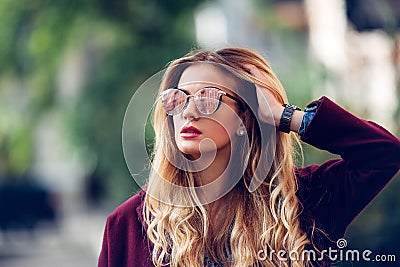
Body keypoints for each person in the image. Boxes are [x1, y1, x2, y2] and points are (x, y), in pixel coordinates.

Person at [98, 47, 400, 267]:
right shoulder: (130, 224)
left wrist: (281, 115)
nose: (188, 111)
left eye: (208, 98)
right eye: (178, 99)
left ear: (244, 117)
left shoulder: (304, 199)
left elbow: (385, 153)